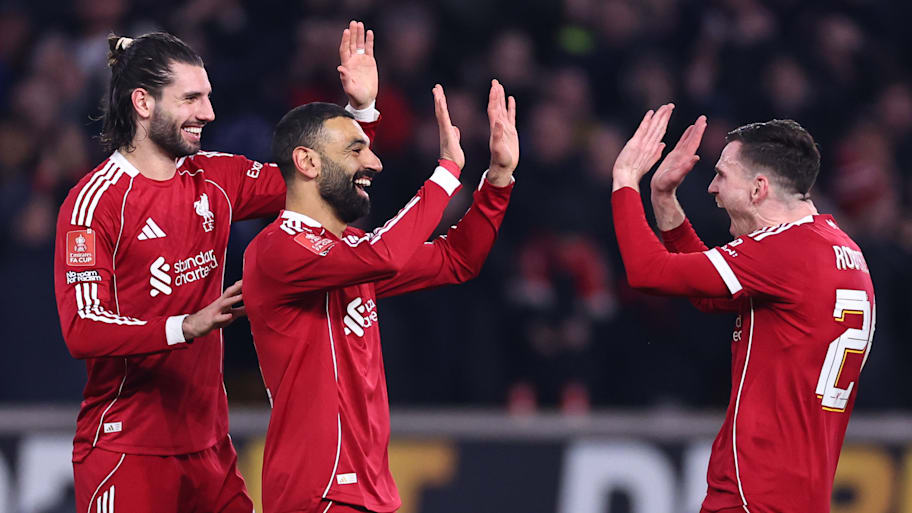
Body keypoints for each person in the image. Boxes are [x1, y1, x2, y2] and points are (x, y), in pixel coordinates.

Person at [54, 22, 380, 513]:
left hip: (211, 449)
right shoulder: (94, 205)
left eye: (207, 96)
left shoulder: (216, 179)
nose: (207, 112)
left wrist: (360, 112)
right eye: (190, 99)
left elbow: (321, 179)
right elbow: (82, 328)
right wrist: (185, 326)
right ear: (143, 104)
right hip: (127, 450)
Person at [243, 80, 518, 513]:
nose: (374, 161)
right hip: (320, 489)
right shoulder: (277, 249)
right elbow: (385, 255)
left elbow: (456, 260)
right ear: (307, 162)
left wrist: (497, 181)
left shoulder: (350, 255)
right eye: (356, 150)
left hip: (370, 489)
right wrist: (445, 172)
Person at [610, 105, 875, 513]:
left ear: (758, 188)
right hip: (801, 495)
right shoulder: (838, 248)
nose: (712, 189)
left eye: (721, 176)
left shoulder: (784, 252)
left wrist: (625, 179)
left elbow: (647, 272)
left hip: (754, 494)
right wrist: (664, 200)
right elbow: (710, 295)